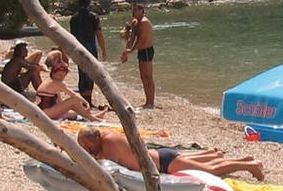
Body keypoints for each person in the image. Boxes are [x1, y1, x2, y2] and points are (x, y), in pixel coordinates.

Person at [76, 128, 263, 180]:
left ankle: (250, 166)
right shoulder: (106, 140)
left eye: (86, 146)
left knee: (211, 171)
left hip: (164, 162)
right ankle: (243, 160)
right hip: (161, 157)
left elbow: (108, 166)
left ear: (95, 140)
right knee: (206, 166)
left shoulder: (109, 143)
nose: (87, 150)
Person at [35, 52, 98, 121]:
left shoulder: (49, 81)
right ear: (53, 73)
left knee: (74, 111)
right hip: (46, 113)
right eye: (59, 75)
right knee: (73, 101)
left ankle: (94, 116)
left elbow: (59, 102)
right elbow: (73, 94)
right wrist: (86, 102)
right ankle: (94, 119)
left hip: (42, 112)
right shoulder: (57, 83)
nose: (61, 77)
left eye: (63, 76)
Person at [117, 2, 157, 109]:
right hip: (141, 51)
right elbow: (132, 38)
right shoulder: (135, 22)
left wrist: (130, 51)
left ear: (141, 10)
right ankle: (147, 101)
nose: (133, 12)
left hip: (147, 50)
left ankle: (151, 102)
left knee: (148, 77)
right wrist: (126, 51)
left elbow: (141, 41)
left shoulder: (144, 22)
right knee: (143, 77)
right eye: (132, 10)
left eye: (135, 10)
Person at [66, 0, 105, 104]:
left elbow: (72, 36)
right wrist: (103, 49)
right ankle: (88, 99)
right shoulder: (93, 17)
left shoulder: (74, 18)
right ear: (89, 3)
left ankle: (84, 98)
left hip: (77, 48)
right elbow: (99, 34)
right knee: (91, 73)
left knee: (82, 72)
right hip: (90, 47)